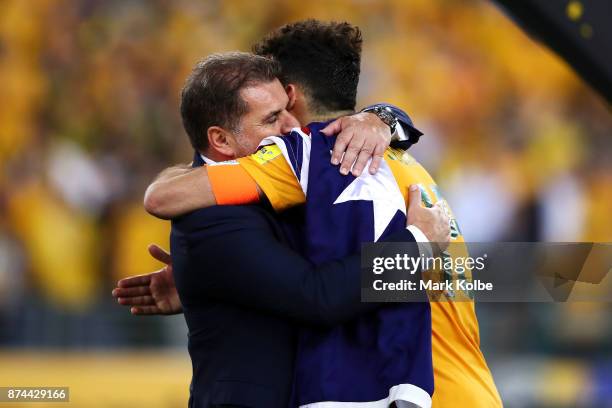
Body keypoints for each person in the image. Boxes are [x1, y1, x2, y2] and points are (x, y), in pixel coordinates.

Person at [120, 20, 503, 407]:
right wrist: (203, 278)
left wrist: (416, 244)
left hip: (425, 392)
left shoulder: (309, 159)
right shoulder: (401, 159)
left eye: (280, 111)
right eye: (271, 117)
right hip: (472, 384)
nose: (284, 127)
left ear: (290, 94)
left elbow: (164, 197)